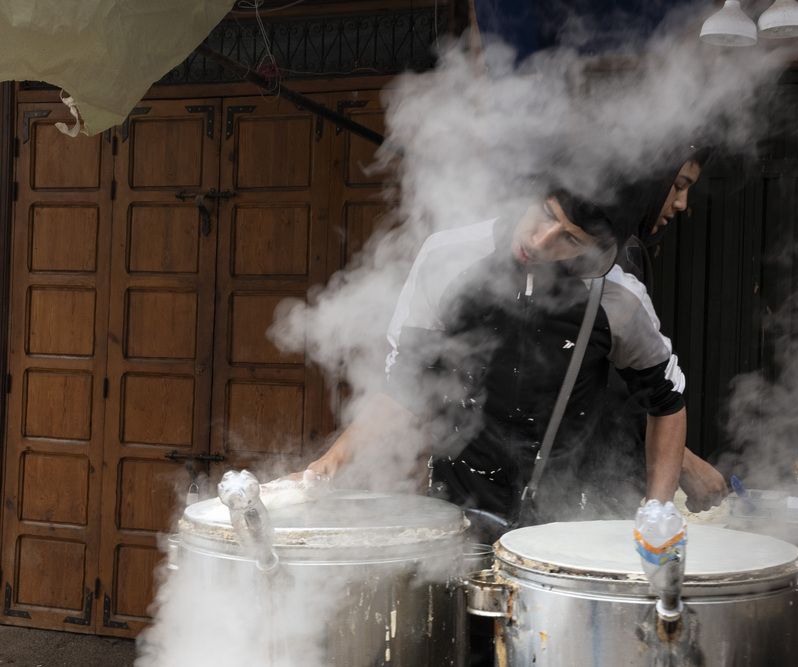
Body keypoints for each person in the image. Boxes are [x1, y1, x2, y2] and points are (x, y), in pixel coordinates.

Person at [305, 182, 690, 525]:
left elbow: (666, 402)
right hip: (457, 510)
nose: (540, 241)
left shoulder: (618, 298)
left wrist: (658, 511)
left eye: (570, 239)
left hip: (567, 519)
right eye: (545, 214)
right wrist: (333, 461)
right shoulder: (448, 257)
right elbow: (405, 386)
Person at [599, 146, 729, 513]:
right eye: (678, 185)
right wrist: (683, 460)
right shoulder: (603, 269)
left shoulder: (629, 256)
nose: (682, 204)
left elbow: (652, 390)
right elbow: (602, 391)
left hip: (611, 480)